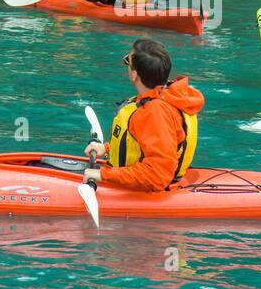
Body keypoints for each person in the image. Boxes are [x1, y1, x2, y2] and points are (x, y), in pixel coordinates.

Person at [83, 38, 204, 193]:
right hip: (156, 178)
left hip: (154, 189)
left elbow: (157, 175)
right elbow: (148, 143)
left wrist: (102, 174)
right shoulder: (165, 97)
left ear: (134, 74)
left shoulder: (154, 112)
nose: (126, 64)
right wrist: (107, 148)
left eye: (128, 61)